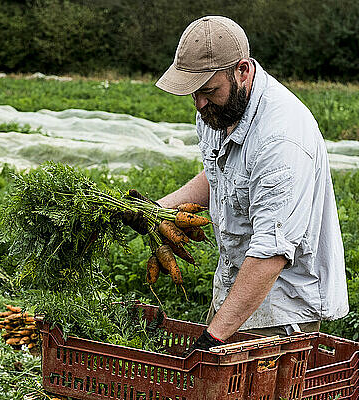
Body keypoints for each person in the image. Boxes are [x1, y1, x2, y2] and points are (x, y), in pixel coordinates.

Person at [125, 16, 348, 351]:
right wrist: (157, 210)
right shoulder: (219, 110)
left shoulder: (281, 140)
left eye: (208, 91)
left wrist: (212, 338)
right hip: (235, 290)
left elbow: (270, 256)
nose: (199, 104)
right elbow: (220, 175)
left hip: (281, 308)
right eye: (194, 93)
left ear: (242, 70)